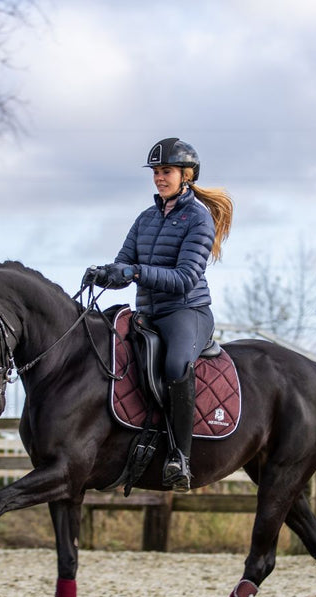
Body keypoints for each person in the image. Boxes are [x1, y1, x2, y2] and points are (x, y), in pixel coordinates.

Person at [90, 137, 233, 492]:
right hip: (148, 313)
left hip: (186, 312)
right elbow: (125, 262)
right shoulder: (146, 218)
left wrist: (136, 272)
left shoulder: (198, 219)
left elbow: (185, 278)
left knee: (175, 366)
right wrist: (107, 272)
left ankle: (180, 458)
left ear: (186, 175)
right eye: (155, 172)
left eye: (165, 171)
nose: (158, 178)